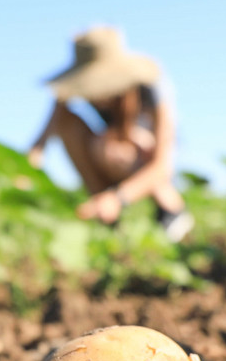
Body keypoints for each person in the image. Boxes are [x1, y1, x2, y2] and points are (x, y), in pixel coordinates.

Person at [26, 26, 193, 241]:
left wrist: (118, 198)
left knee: (115, 147)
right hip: (109, 153)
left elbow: (163, 165)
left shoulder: (151, 88)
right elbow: (41, 142)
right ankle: (106, 218)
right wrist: (23, 174)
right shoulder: (70, 92)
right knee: (71, 126)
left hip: (146, 158)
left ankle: (171, 211)